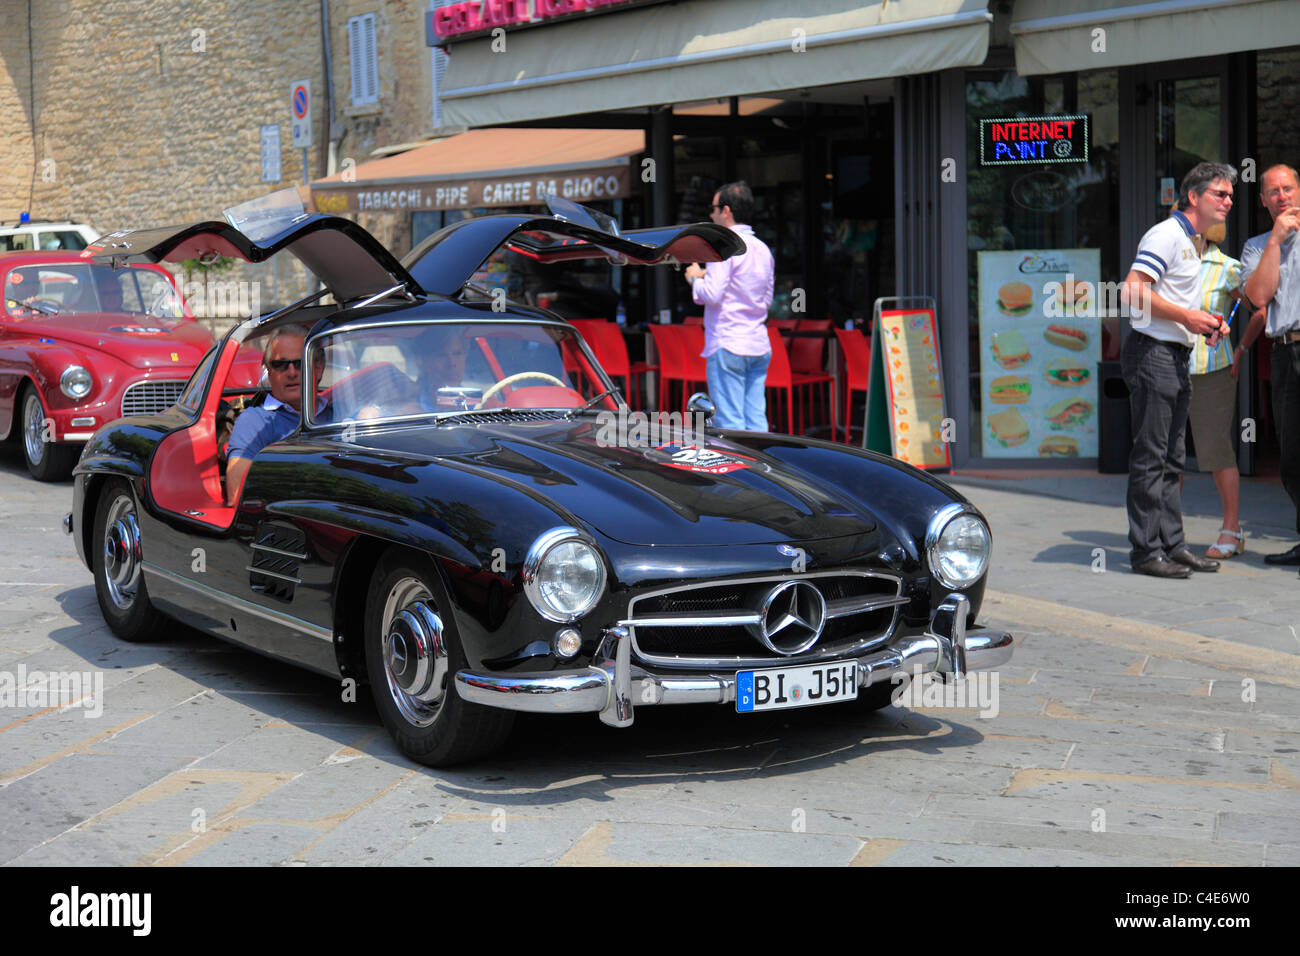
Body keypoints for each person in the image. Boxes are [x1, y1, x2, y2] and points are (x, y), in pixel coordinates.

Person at [1121, 162, 1234, 579]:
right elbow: (1132, 289)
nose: (1228, 202)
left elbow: (1167, 300)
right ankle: (1146, 552)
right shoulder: (1166, 234)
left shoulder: (1193, 241)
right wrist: (1188, 317)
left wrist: (1202, 321)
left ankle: (1172, 546)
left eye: (1230, 196)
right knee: (1152, 458)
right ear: (1193, 197)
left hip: (1172, 354)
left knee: (1171, 458)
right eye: (1219, 194)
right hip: (1153, 354)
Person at [1186, 224, 1266, 558]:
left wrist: (1241, 348)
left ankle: (1232, 531)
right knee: (1168, 456)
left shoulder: (1227, 268)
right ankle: (1165, 529)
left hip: (1210, 371)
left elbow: (1260, 308)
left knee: (1217, 451)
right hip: (1169, 367)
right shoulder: (1170, 262)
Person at [1240, 164, 1300, 569]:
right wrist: (1276, 242)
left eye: (1288, 188)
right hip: (1284, 352)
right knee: (1292, 457)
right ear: (1262, 200)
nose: (1282, 196)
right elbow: (1258, 298)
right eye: (1273, 191)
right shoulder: (1256, 246)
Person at [683, 181, 774, 431]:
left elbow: (711, 294)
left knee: (730, 423)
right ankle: (762, 469)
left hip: (728, 342)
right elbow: (766, 299)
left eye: (713, 208)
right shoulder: (763, 249)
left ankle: (739, 471)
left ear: (726, 211)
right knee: (757, 421)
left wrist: (693, 278)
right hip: (757, 342)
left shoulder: (724, 246)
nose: (710, 214)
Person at [225, 325, 314, 505]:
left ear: (316, 366)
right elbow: (236, 495)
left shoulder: (338, 409)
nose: (291, 372)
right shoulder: (255, 421)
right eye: (280, 365)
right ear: (268, 371)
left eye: (299, 363)